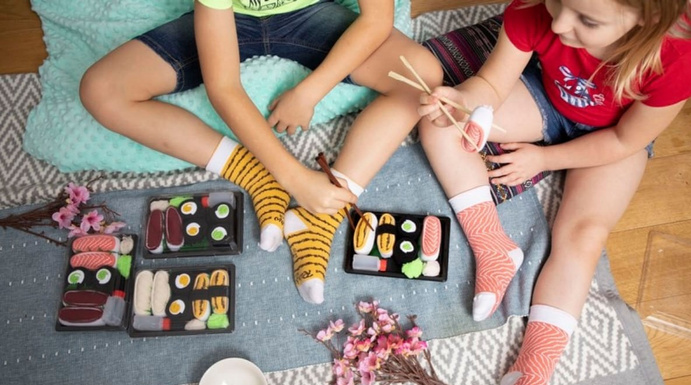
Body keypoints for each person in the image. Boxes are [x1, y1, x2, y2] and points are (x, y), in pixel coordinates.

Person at [417, 0, 691, 385]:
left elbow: (625, 140)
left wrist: (544, 158)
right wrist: (466, 101)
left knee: (585, 235)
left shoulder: (682, 55)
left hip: (614, 140)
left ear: (647, 20)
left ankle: (532, 371)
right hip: (545, 100)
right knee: (438, 126)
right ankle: (493, 246)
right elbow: (491, 83)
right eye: (559, 3)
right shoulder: (540, 9)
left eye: (586, 20)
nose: (560, 23)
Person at [79, 0, 442, 304]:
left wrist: (309, 93)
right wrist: (292, 177)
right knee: (101, 90)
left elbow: (376, 20)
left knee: (423, 78)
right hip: (226, 21)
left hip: (310, 15)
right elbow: (223, 87)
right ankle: (257, 176)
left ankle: (324, 215)